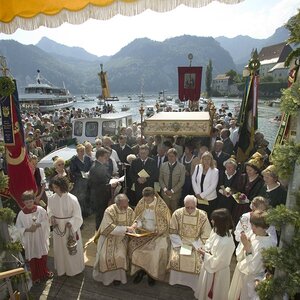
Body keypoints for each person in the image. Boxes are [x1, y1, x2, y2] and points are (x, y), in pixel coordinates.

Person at [228, 210, 277, 300]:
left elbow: (253, 268)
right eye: (252, 224)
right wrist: (244, 246)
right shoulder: (253, 233)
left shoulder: (267, 244)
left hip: (250, 278)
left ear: (264, 227)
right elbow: (240, 255)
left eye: (255, 226)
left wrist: (247, 248)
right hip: (240, 271)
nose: (252, 228)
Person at [128, 187, 171, 285]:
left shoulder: (161, 206)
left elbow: (166, 223)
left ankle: (152, 275)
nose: (146, 202)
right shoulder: (142, 202)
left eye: (148, 200)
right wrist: (135, 225)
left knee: (154, 252)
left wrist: (157, 231)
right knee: (135, 249)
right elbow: (138, 218)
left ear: (153, 196)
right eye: (144, 199)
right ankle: (140, 272)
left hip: (158, 234)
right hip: (143, 232)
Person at [168, 195, 211, 292]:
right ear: (184, 205)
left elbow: (206, 234)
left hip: (196, 244)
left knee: (197, 262)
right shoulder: (177, 213)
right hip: (180, 243)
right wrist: (181, 245)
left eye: (192, 207)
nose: (190, 210)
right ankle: (176, 280)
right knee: (176, 259)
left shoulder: (202, 216)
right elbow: (172, 231)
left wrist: (195, 245)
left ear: (196, 205)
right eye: (187, 207)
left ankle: (193, 284)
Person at [92, 194, 135, 286]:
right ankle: (107, 279)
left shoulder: (129, 210)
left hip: (123, 237)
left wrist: (134, 226)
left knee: (120, 255)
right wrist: (126, 228)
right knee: (105, 256)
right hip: (108, 236)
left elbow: (134, 222)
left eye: (127, 204)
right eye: (123, 206)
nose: (125, 207)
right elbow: (108, 228)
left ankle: (119, 278)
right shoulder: (109, 211)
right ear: (117, 204)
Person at [194, 208, 235, 300]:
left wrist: (205, 254)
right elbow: (209, 242)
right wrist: (204, 248)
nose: (211, 221)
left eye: (213, 220)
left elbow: (220, 262)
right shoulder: (216, 230)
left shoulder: (227, 242)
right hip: (208, 266)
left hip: (218, 272)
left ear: (220, 222)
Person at [47, 176, 85, 276]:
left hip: (70, 227)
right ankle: (62, 269)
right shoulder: (51, 198)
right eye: (53, 187)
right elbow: (49, 210)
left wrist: (71, 223)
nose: (54, 189)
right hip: (58, 227)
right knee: (60, 249)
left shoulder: (72, 198)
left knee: (71, 248)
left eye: (56, 187)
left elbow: (78, 215)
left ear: (62, 186)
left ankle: (74, 269)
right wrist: (52, 218)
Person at [16, 190, 53, 284]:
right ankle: (35, 276)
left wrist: (38, 225)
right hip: (30, 239)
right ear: (23, 202)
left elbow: (47, 221)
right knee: (33, 257)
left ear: (33, 200)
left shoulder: (40, 210)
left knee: (42, 255)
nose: (28, 204)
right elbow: (18, 228)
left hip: (40, 236)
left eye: (30, 201)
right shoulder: (22, 214)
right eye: (26, 202)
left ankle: (44, 273)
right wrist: (28, 229)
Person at [231, 152, 266, 226]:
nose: (248, 172)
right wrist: (238, 195)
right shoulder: (242, 177)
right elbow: (234, 188)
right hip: (238, 206)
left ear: (256, 170)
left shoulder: (260, 182)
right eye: (247, 169)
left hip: (249, 208)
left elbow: (259, 196)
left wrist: (249, 201)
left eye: (250, 170)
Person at [88, 147, 118, 230]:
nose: (107, 159)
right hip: (99, 196)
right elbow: (95, 185)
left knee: (103, 215)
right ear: (100, 157)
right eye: (106, 157)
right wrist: (110, 185)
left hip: (103, 195)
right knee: (100, 216)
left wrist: (113, 178)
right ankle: (99, 233)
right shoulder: (95, 168)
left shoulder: (101, 165)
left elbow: (106, 178)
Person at [191, 151, 219, 219]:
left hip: (209, 199)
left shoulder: (215, 171)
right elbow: (193, 179)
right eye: (205, 159)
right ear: (202, 159)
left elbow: (213, 186)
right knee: (198, 216)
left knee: (208, 217)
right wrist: (197, 193)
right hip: (198, 198)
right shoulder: (198, 167)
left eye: (208, 159)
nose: (206, 161)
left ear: (211, 160)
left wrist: (202, 195)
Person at [159, 148, 186, 212]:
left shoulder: (181, 167)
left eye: (172, 156)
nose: (170, 158)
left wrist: (172, 191)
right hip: (165, 194)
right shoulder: (163, 165)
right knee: (165, 211)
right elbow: (160, 178)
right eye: (169, 156)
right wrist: (165, 189)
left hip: (175, 194)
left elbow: (181, 181)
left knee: (175, 211)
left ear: (176, 157)